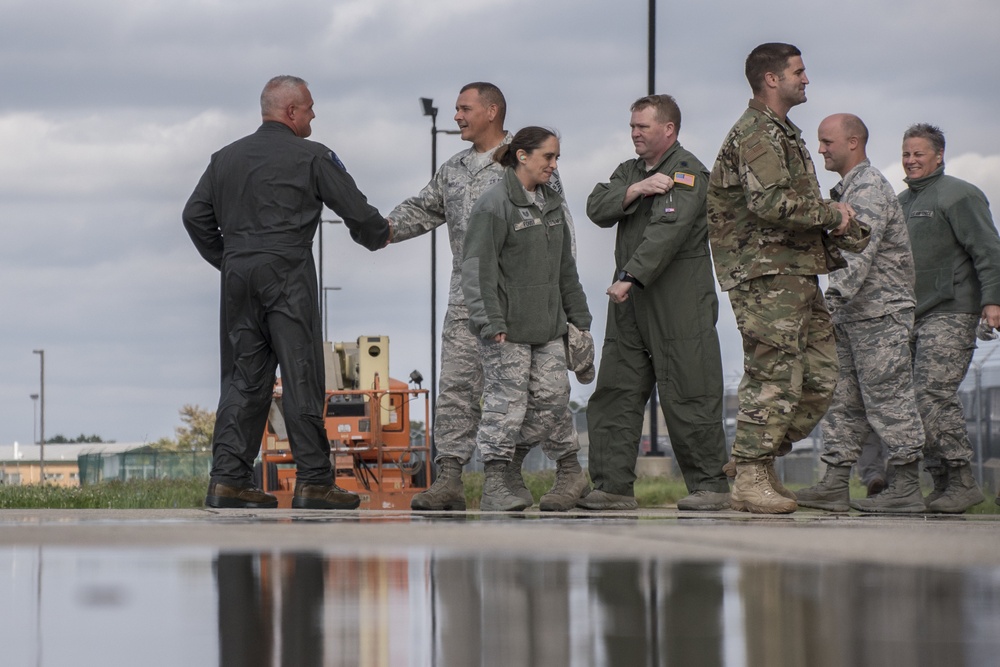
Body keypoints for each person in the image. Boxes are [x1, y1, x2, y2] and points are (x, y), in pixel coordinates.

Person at [183, 76, 389, 510]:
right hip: (287, 272)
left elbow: (194, 215)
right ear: (291, 112)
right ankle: (314, 481)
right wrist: (378, 234)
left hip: (237, 276)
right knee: (301, 377)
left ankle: (228, 480)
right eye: (310, 108)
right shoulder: (312, 156)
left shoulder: (224, 158)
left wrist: (228, 260)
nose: (314, 115)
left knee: (244, 379)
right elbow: (356, 210)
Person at [387, 83, 575, 510]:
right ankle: (449, 478)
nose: (457, 116)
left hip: (518, 298)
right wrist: (382, 229)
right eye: (455, 109)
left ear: (491, 111)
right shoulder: (453, 169)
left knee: (532, 390)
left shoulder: (527, 161)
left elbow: (559, 230)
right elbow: (423, 208)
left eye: (464, 108)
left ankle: (543, 468)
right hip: (465, 297)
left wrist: (562, 303)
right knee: (455, 384)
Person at [706, 43, 868, 514]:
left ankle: (755, 462)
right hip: (763, 272)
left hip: (796, 269)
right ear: (772, 79)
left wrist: (834, 227)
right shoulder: (757, 133)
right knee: (772, 373)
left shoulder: (783, 133)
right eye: (799, 71)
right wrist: (832, 213)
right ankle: (751, 473)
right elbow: (769, 204)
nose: (806, 79)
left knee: (820, 376)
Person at [578, 94, 730, 512]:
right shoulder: (629, 171)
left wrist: (629, 276)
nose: (635, 134)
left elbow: (668, 230)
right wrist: (636, 188)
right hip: (630, 308)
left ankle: (711, 487)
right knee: (615, 392)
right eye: (632, 126)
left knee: (690, 392)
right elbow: (597, 207)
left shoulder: (688, 172)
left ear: (669, 129)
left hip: (677, 303)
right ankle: (612, 488)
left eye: (643, 127)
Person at [794, 113, 925, 513]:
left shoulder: (867, 187)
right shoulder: (846, 190)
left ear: (853, 143)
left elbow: (857, 254)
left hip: (880, 316)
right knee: (844, 402)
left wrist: (826, 306)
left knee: (889, 400)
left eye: (827, 142)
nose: (820, 149)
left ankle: (905, 488)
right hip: (854, 316)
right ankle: (834, 484)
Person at [461, 127, 592, 511]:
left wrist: (579, 319)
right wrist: (490, 322)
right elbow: (477, 269)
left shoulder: (551, 204)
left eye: (556, 158)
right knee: (506, 407)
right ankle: (496, 485)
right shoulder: (493, 205)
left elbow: (565, 268)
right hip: (507, 332)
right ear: (522, 156)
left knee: (552, 401)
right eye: (547, 157)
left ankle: (541, 468)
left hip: (550, 329)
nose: (553, 165)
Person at [898, 123, 1000, 513]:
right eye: (906, 153)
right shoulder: (901, 202)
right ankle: (941, 484)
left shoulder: (959, 195)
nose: (911, 160)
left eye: (919, 153)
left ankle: (962, 479)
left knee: (932, 395)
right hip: (911, 315)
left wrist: (992, 300)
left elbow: (988, 250)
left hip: (953, 309)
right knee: (908, 403)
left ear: (939, 155)